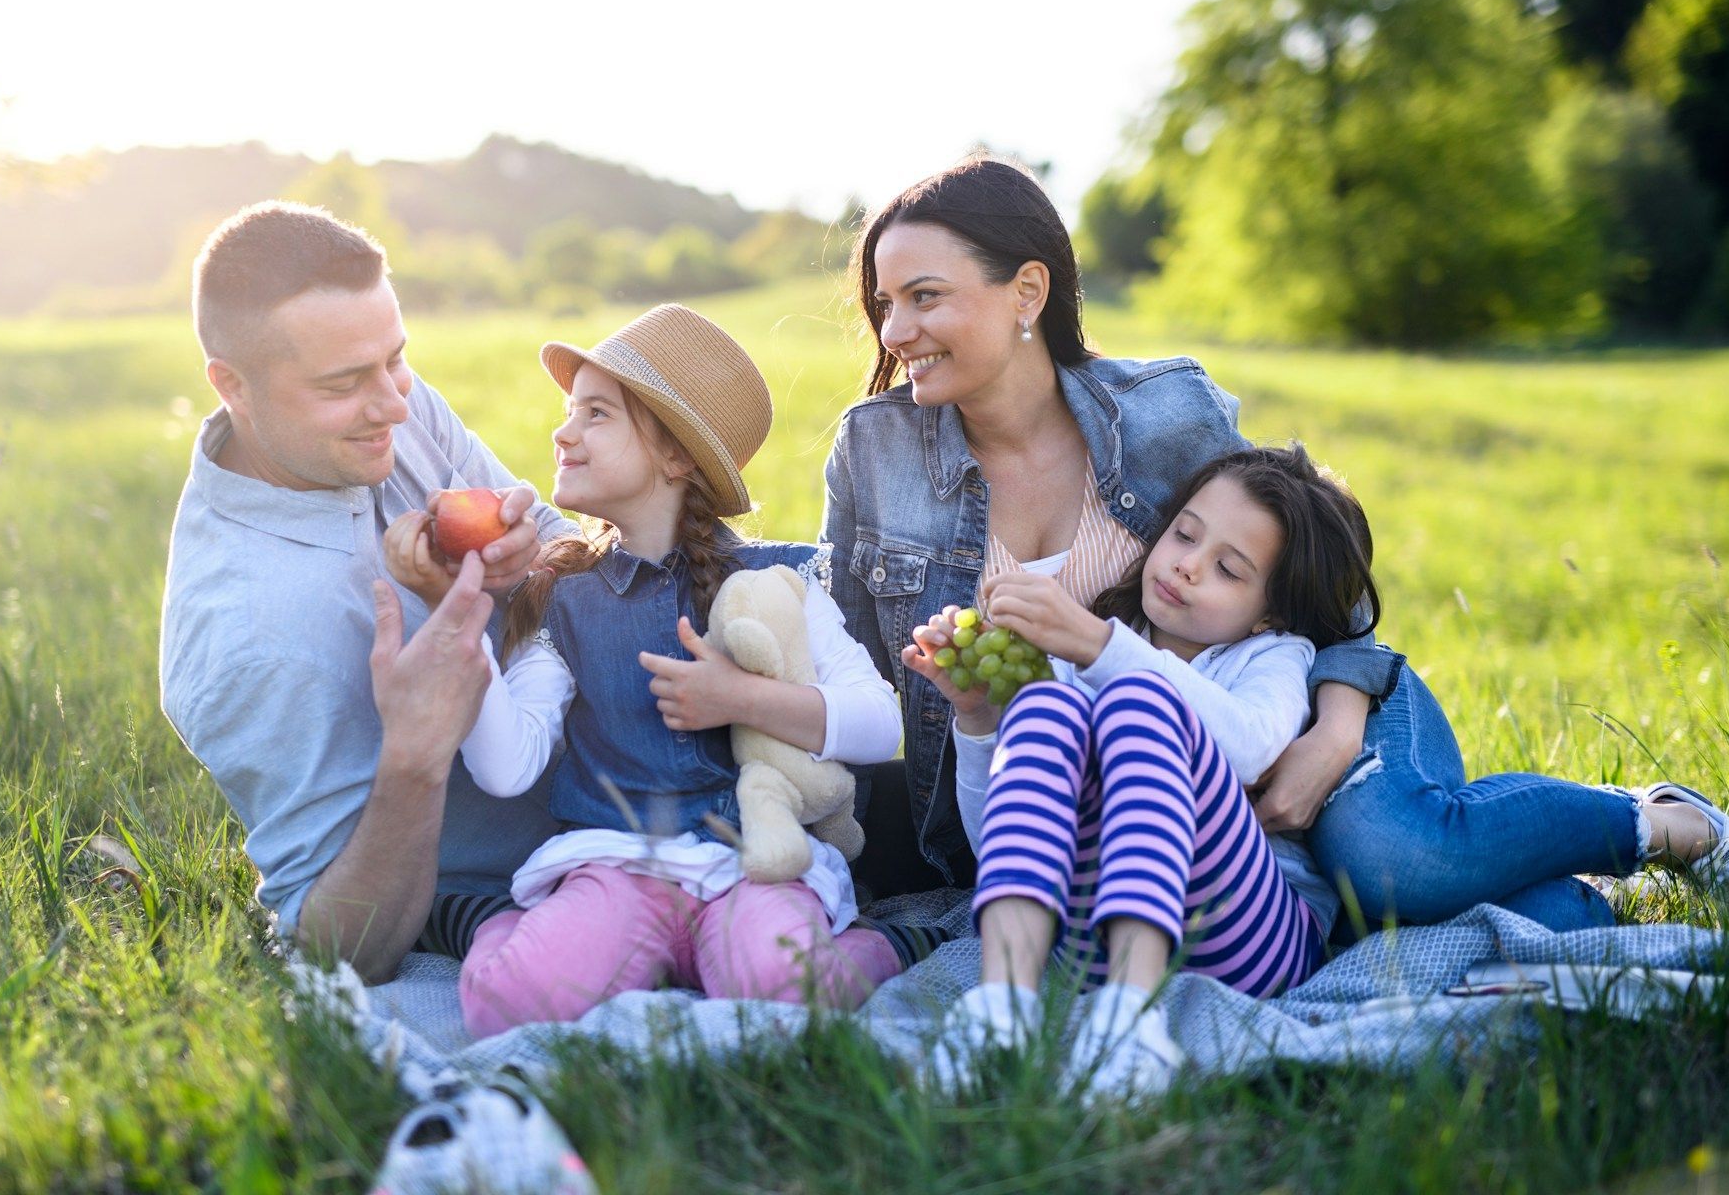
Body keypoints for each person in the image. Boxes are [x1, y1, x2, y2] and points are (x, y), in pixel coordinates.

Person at [824, 157, 1729, 937]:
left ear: (1027, 290)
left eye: (925, 298)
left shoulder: (1163, 416)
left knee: (1388, 864)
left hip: (1286, 698)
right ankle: (1556, 910)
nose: (896, 332)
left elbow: (1329, 599)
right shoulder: (874, 451)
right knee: (1376, 920)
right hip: (1152, 796)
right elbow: (856, 676)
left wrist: (1333, 734)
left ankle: (1661, 825)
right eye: (885, 303)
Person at [380, 305, 914, 1037]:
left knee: (782, 992)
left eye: (596, 414)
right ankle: (485, 923)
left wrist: (744, 698)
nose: (562, 434)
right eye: (569, 412)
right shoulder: (564, 596)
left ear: (676, 458)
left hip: (750, 864)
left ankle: (900, 939)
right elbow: (508, 769)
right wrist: (464, 613)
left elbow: (879, 724)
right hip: (618, 865)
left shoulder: (780, 582)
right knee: (507, 1003)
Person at [160, 201, 575, 984]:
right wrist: (416, 754)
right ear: (232, 387)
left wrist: (529, 566)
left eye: (396, 358)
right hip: (557, 872)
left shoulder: (387, 410)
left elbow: (564, 539)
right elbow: (337, 949)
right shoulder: (248, 637)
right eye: (346, 382)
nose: (393, 402)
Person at [924, 444, 1375, 1099]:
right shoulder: (1100, 644)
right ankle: (1004, 1005)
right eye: (1184, 535)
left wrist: (1097, 645)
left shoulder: (1273, 655)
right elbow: (996, 833)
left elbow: (1248, 748)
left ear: (1272, 610)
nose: (1187, 566)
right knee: (1046, 702)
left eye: (1227, 569)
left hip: (1246, 940)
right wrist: (978, 720)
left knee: (1138, 702)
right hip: (1085, 944)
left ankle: (1130, 1023)